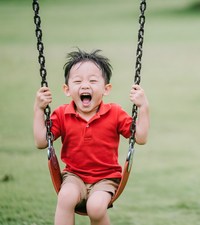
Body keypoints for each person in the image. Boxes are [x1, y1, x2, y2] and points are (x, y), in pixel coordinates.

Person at [33, 49, 150, 225]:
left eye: (93, 81)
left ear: (106, 89)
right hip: (74, 176)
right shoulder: (61, 114)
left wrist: (143, 107)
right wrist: (38, 109)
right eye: (78, 81)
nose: (85, 85)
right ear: (67, 89)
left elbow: (140, 138)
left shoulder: (115, 113)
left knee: (95, 208)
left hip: (106, 178)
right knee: (65, 197)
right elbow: (41, 142)